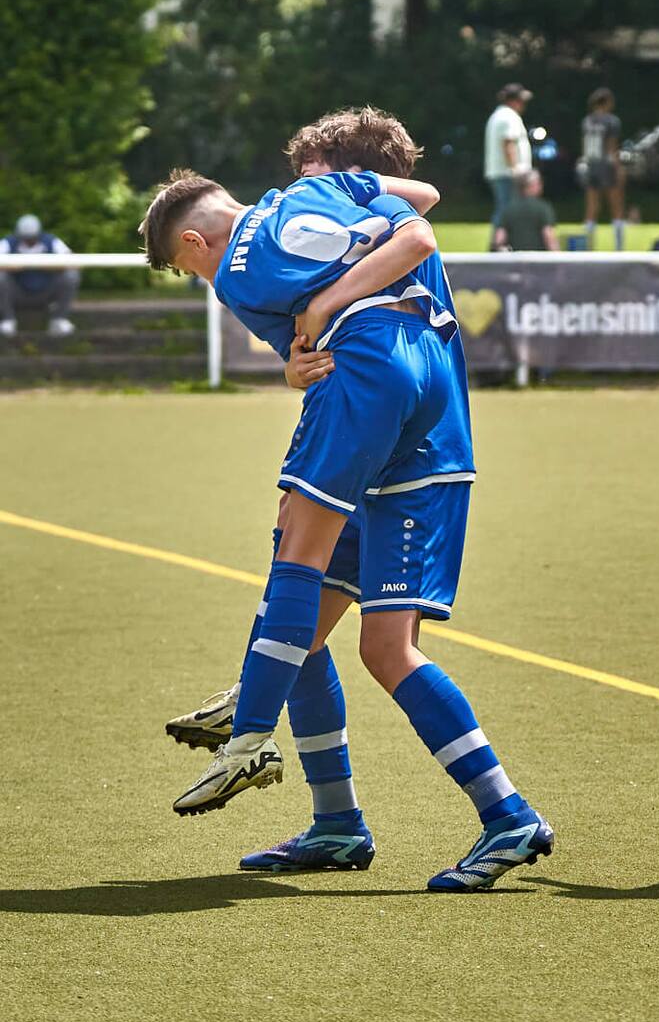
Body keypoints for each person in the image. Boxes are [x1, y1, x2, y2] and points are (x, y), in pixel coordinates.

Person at [140, 164, 552, 891]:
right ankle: (337, 822)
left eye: (188, 267)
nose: (203, 280)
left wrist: (321, 313)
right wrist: (304, 349)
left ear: (199, 241)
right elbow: (420, 207)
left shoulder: (240, 265)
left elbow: (394, 255)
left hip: (372, 388)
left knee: (301, 558)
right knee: (328, 633)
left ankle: (252, 738)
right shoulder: (324, 193)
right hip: (428, 424)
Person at [0, 215, 77, 338]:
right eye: (25, 238)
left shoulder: (51, 241)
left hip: (46, 292)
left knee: (71, 275)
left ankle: (59, 319)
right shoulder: (9, 242)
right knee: (1, 277)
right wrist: (14, 266)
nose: (29, 241)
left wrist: (46, 265)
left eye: (32, 238)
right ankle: (7, 319)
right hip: (17, 293)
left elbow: (73, 260)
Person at [484, 83, 533, 243]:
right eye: (521, 100)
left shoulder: (499, 115)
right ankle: (497, 245)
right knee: (506, 210)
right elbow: (508, 143)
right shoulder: (508, 116)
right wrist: (516, 169)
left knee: (504, 209)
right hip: (507, 173)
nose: (523, 104)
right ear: (513, 100)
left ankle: (500, 243)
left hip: (500, 172)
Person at [580, 88, 626, 250]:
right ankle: (619, 245)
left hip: (591, 163)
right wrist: (618, 168)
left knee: (592, 206)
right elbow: (611, 146)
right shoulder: (611, 121)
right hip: (606, 165)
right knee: (616, 205)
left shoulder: (587, 121)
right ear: (606, 102)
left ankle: (588, 242)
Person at [496, 169, 559, 253]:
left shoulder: (508, 209)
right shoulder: (543, 208)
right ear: (532, 186)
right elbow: (548, 236)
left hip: (515, 261)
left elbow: (499, 238)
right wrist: (557, 257)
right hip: (538, 261)